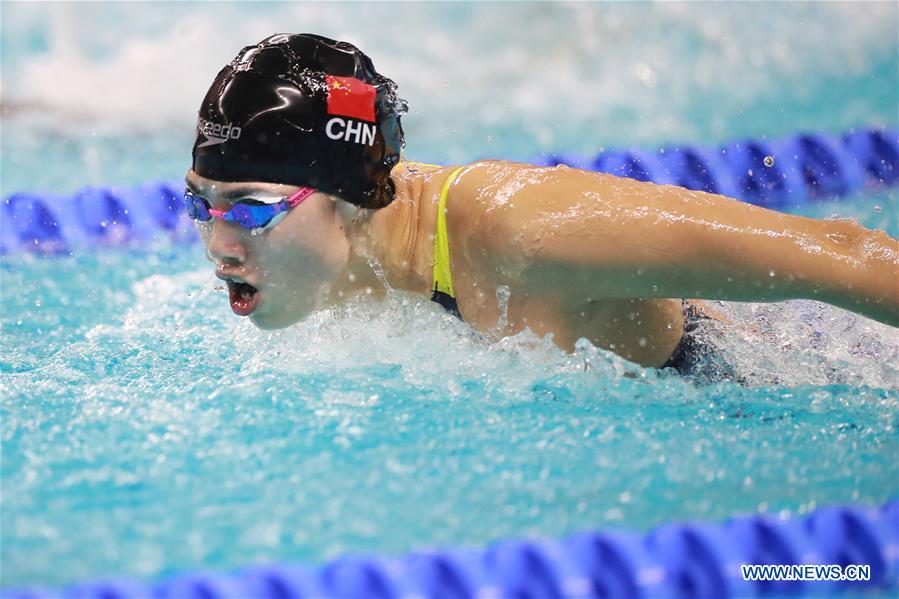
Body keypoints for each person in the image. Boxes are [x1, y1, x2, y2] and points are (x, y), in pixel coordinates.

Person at [185, 33, 899, 371]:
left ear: (347, 198)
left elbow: (843, 254)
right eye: (200, 205)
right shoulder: (339, 269)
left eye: (249, 208)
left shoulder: (521, 230)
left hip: (802, 376)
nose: (219, 246)